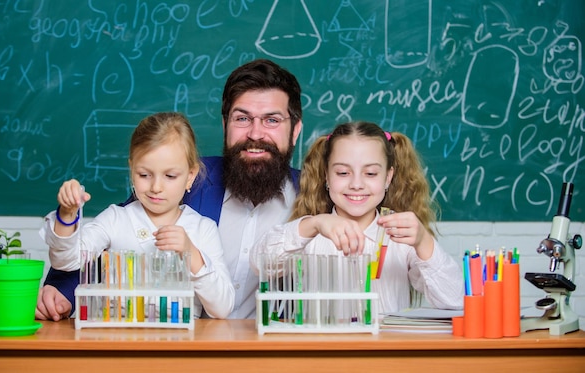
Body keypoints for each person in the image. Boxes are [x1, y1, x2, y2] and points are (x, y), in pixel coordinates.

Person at [37, 59, 303, 321]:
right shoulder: (184, 177)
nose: (255, 133)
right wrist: (61, 292)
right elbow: (115, 238)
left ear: (295, 130)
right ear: (225, 125)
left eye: (272, 120)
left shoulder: (311, 196)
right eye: (242, 118)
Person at [37, 112, 234, 320]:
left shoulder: (203, 229)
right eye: (144, 175)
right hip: (117, 341)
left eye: (170, 176)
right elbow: (66, 261)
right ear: (132, 169)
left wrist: (191, 253)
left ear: (190, 176)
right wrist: (67, 215)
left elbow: (222, 308)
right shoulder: (115, 219)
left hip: (177, 345)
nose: (156, 187)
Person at [250, 121, 463, 313]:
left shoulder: (401, 240)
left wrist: (423, 241)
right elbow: (259, 265)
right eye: (343, 173)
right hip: (322, 352)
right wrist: (313, 224)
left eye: (370, 173)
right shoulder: (311, 236)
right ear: (326, 175)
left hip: (386, 354)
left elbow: (456, 301)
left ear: (388, 177)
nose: (356, 184)